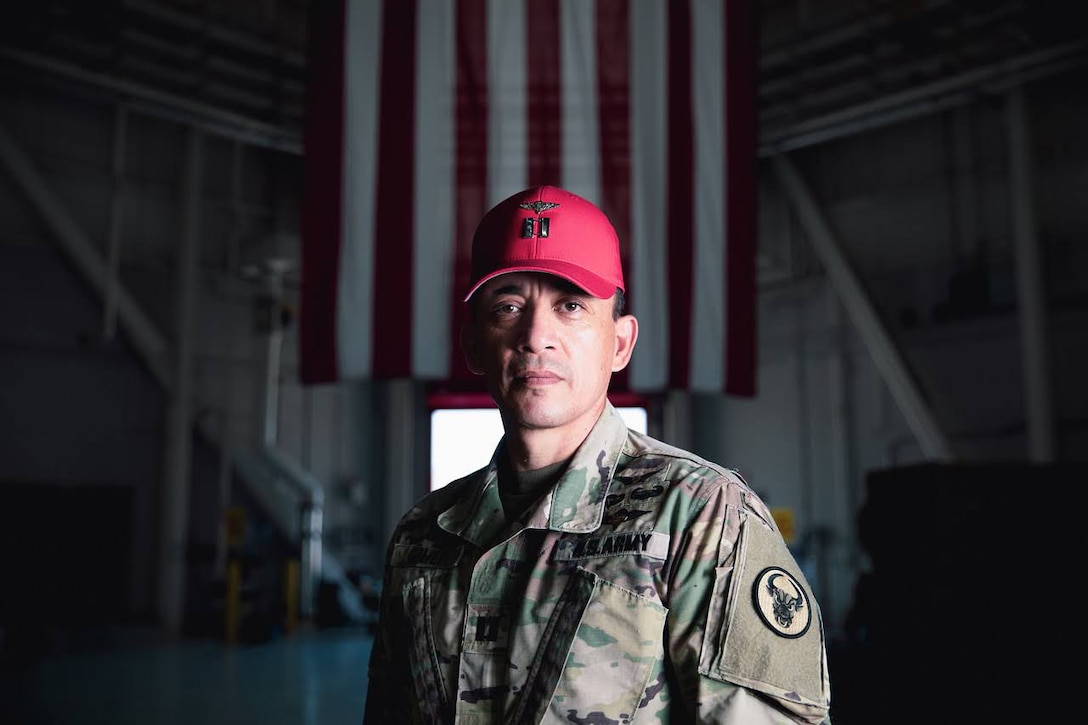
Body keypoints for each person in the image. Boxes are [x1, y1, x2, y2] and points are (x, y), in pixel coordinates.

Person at [364, 185, 832, 723]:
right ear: (472, 345)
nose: (537, 336)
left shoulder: (701, 515)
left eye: (571, 306)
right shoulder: (425, 533)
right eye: (508, 306)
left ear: (620, 343)